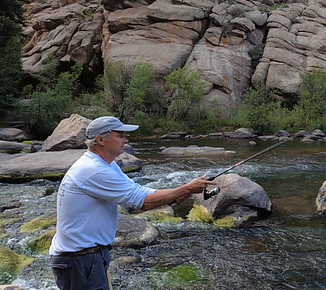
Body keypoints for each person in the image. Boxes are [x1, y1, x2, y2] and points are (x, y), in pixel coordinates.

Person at [49, 116, 215, 290]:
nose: (126, 139)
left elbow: (137, 193)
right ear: (100, 139)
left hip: (88, 256)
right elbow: (142, 203)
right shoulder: (93, 170)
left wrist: (174, 196)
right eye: (120, 135)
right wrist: (185, 189)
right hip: (79, 259)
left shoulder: (107, 165)